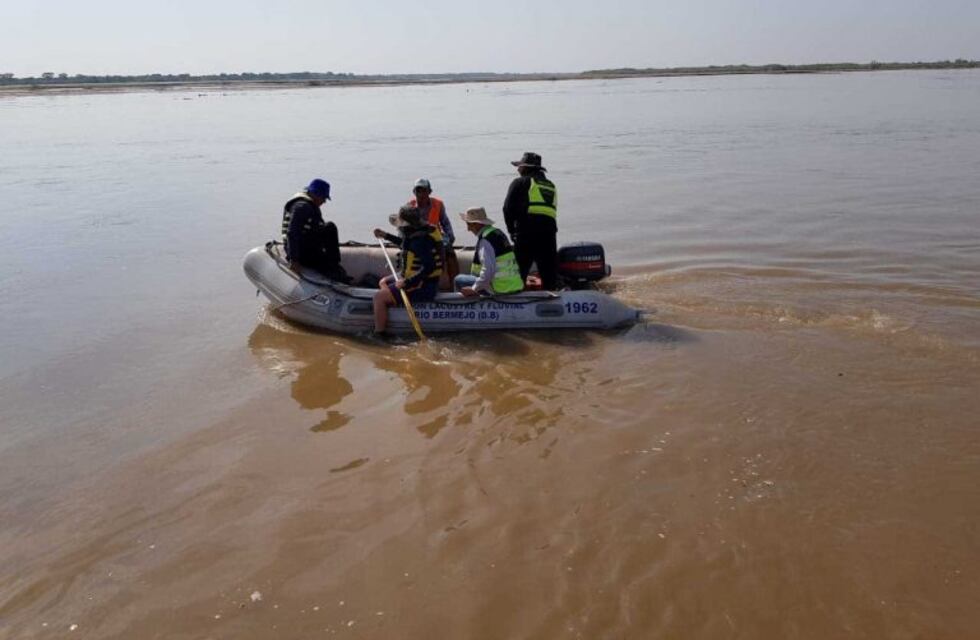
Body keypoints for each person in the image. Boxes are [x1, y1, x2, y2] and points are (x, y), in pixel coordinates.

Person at [372, 206, 444, 333]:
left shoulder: (420, 241)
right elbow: (406, 245)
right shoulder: (419, 233)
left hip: (422, 284)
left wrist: (406, 282)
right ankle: (394, 302)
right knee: (383, 282)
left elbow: (430, 266)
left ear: (406, 225)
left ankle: (379, 333)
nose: (398, 227)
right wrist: (385, 235)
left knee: (378, 297)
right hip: (414, 277)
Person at [502, 152, 559, 290]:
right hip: (549, 235)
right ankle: (552, 300)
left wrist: (511, 231)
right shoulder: (550, 185)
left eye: (520, 166)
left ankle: (517, 302)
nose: (518, 169)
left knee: (519, 272)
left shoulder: (520, 182)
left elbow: (507, 208)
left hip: (526, 233)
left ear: (527, 168)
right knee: (548, 272)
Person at [281, 178, 348, 281]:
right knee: (330, 229)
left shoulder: (307, 205)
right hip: (300, 252)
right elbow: (292, 233)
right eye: (323, 198)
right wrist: (294, 260)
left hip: (304, 245)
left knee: (329, 227)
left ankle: (334, 265)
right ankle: (334, 269)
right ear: (316, 194)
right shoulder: (302, 207)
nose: (324, 202)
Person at [454, 207, 524, 297]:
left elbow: (488, 271)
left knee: (458, 279)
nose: (468, 229)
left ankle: (460, 307)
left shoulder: (485, 240)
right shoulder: (498, 233)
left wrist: (473, 289)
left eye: (469, 224)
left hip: (497, 288)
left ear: (477, 224)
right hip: (513, 285)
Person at [408, 178, 459, 287]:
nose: (421, 194)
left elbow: (445, 222)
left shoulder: (438, 204)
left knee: (449, 251)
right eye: (418, 191)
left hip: (436, 237)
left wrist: (450, 236)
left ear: (429, 192)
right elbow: (402, 226)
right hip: (418, 238)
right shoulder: (409, 206)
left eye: (424, 191)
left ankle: (454, 284)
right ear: (414, 192)